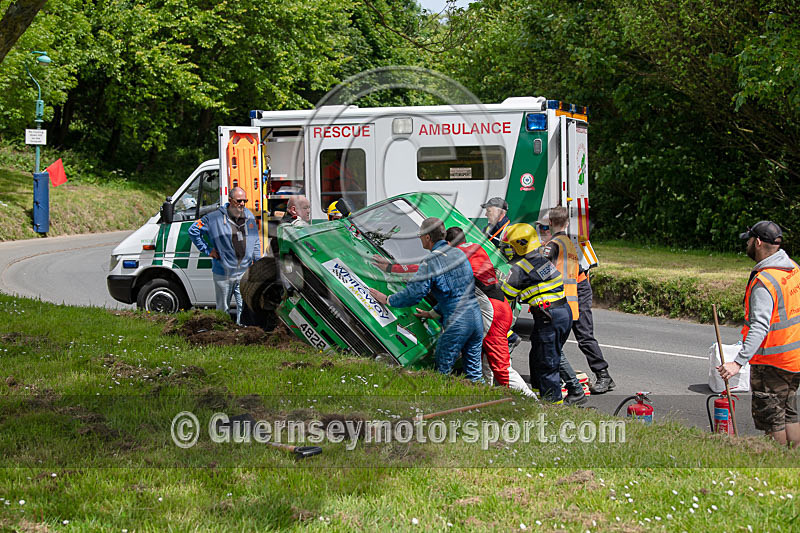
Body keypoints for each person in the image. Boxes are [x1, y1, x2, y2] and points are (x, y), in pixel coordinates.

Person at [368, 218, 484, 383]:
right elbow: (458, 291)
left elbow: (414, 294)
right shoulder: (458, 253)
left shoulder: (430, 262)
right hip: (475, 316)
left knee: (442, 370)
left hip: (457, 321)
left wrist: (388, 299)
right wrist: (432, 313)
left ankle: (439, 403)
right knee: (474, 372)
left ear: (427, 237)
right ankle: (479, 404)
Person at [718, 221, 800, 447]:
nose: (748, 244)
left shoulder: (765, 281)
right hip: (794, 359)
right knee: (789, 413)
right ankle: (793, 461)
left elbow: (760, 326)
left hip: (773, 363)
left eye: (750, 240)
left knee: (773, 420)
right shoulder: (793, 268)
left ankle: (775, 462)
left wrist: (738, 362)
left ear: (759, 242)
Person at [543, 207, 615, 394]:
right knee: (559, 338)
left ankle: (603, 375)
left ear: (550, 223)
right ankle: (558, 376)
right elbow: (591, 263)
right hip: (573, 289)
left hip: (577, 290)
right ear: (567, 222)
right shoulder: (573, 240)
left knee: (583, 336)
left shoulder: (559, 242)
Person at [500, 223, 572, 403]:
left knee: (547, 363)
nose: (506, 251)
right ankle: (540, 397)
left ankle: (553, 406)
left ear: (520, 245)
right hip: (561, 313)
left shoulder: (519, 269)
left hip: (549, 317)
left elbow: (503, 299)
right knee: (537, 357)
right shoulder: (540, 259)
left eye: (509, 247)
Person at [188, 187, 261, 324]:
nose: (242, 204)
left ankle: (242, 334)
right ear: (230, 201)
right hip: (223, 272)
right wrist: (208, 250)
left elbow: (255, 240)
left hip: (244, 272)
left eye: (245, 200)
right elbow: (193, 230)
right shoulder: (214, 218)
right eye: (239, 201)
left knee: (244, 308)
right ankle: (222, 335)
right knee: (223, 309)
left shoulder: (249, 216)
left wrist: (257, 262)